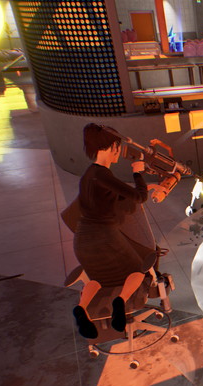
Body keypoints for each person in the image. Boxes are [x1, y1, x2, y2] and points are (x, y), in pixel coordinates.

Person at [72, 123, 152, 339]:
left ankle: (81, 308)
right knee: (138, 271)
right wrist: (138, 173)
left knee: (98, 279)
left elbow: (108, 199)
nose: (119, 152)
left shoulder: (89, 175)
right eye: (118, 147)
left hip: (82, 239)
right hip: (103, 236)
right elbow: (139, 197)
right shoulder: (103, 174)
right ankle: (120, 301)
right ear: (111, 147)